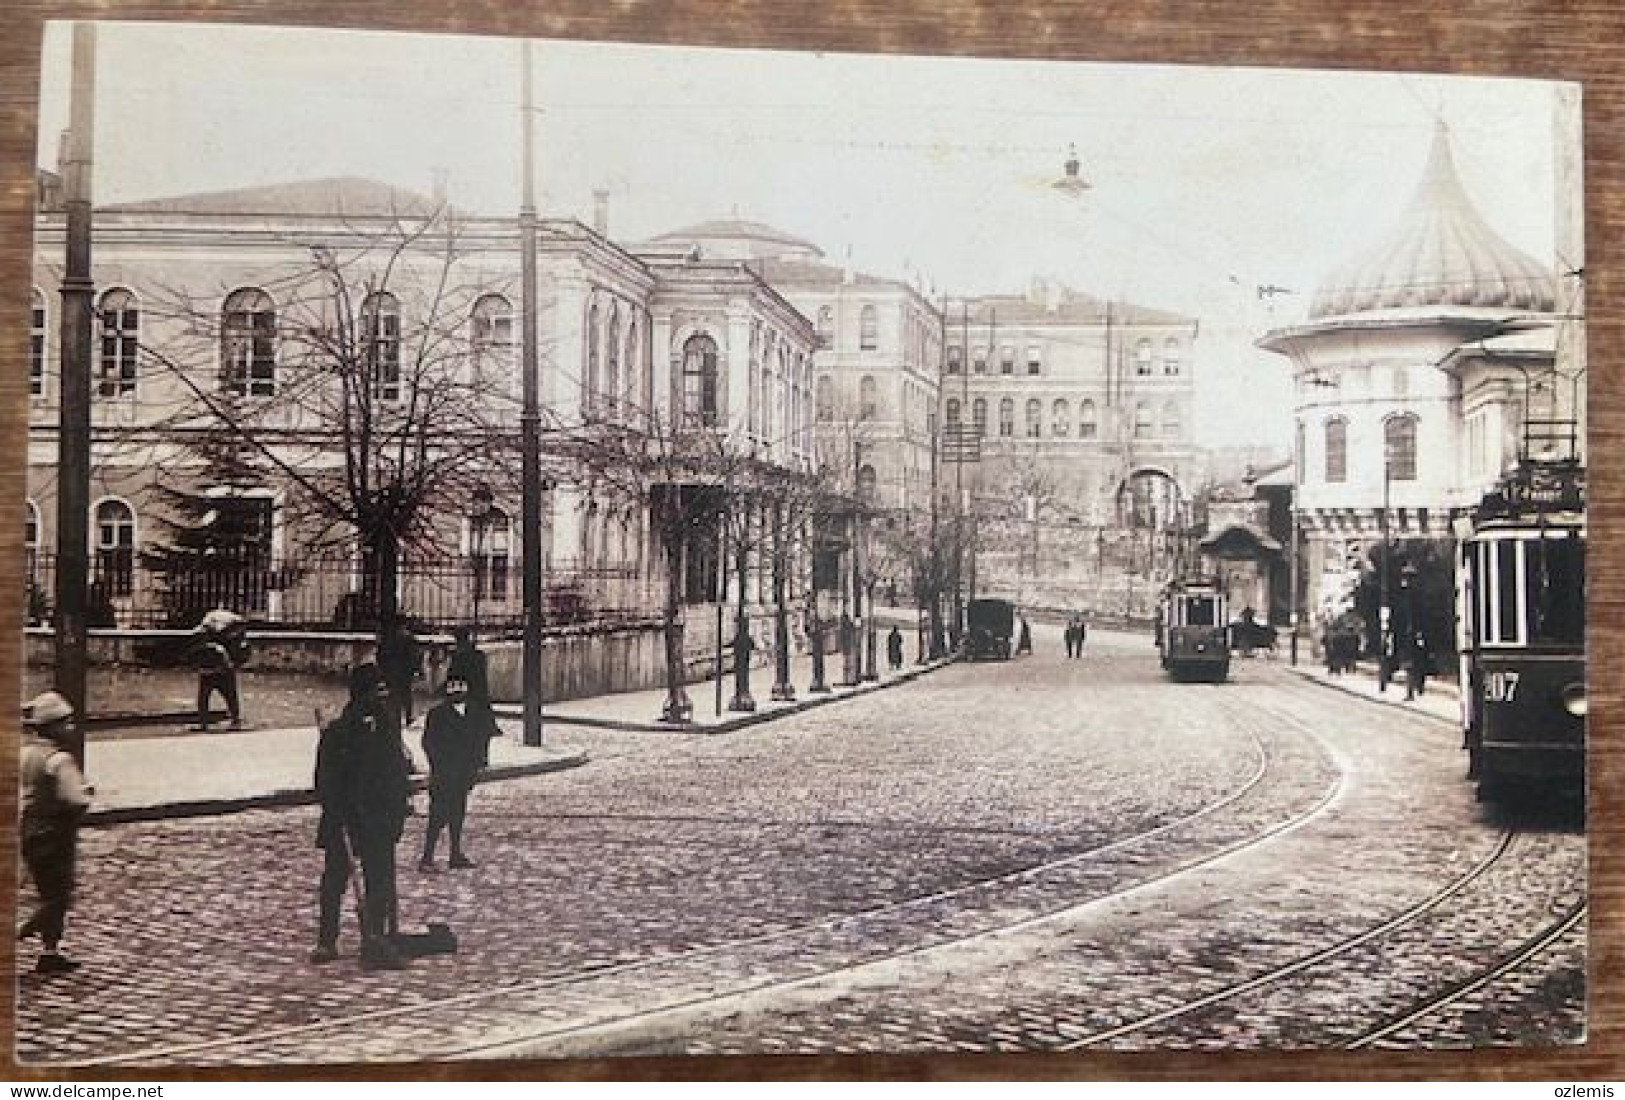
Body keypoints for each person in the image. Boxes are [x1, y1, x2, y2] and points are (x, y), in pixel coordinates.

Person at [311, 662, 413, 970]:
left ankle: (376, 938)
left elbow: (398, 775)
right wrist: (336, 807)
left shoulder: (387, 730)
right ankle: (327, 939)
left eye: (383, 690)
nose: (382, 696)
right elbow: (324, 780)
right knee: (334, 881)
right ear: (362, 694)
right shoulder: (340, 732)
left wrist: (397, 813)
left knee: (379, 880)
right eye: (376, 690)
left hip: (378, 820)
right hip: (346, 819)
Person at [18, 691, 92, 975]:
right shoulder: (59, 760)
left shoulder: (27, 754)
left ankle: (51, 951)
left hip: (30, 828)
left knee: (47, 890)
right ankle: (19, 933)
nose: (71, 728)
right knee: (58, 896)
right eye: (67, 722)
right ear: (53, 727)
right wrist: (86, 793)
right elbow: (75, 799)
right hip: (56, 834)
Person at [419, 676, 485, 872]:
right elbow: (428, 742)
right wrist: (438, 764)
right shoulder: (437, 714)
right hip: (444, 774)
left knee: (458, 814)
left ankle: (455, 854)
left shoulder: (474, 712)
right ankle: (427, 857)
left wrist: (475, 765)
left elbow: (479, 740)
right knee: (437, 816)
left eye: (461, 685)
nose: (456, 690)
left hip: (463, 774)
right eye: (452, 686)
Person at [189, 614, 248, 731]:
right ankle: (231, 721)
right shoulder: (218, 633)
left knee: (225, 695)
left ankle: (233, 721)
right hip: (214, 669)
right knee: (210, 697)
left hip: (219, 670)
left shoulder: (224, 635)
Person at [378, 621, 422, 727]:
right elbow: (415, 656)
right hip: (405, 672)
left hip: (391, 671)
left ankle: (395, 718)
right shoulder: (409, 638)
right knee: (406, 695)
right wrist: (416, 669)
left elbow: (381, 655)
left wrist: (383, 669)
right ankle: (408, 717)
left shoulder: (388, 638)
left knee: (393, 695)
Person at [1404, 630, 1431, 701]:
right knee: (1411, 679)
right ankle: (1411, 694)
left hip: (1418, 664)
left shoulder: (1419, 644)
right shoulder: (1412, 643)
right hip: (1414, 663)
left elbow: (1425, 653)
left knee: (1418, 678)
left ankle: (1418, 691)